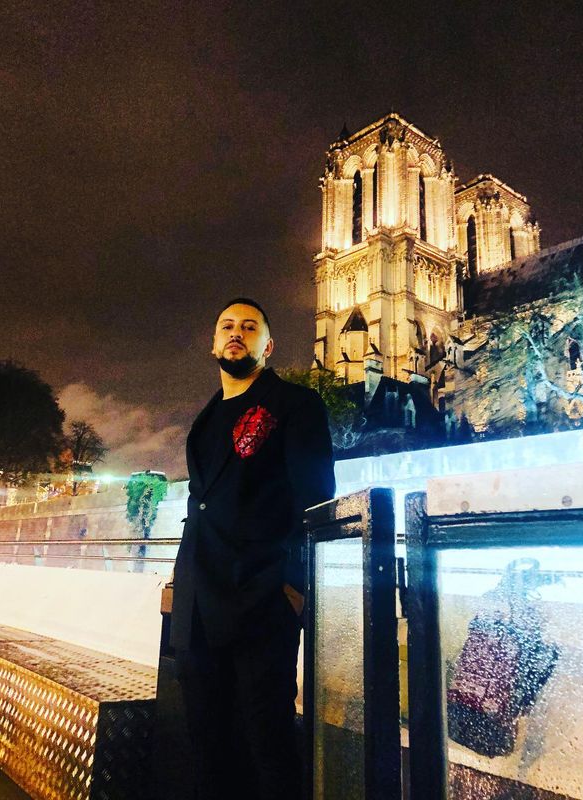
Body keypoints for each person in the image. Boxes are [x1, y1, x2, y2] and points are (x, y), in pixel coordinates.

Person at [171, 298, 335, 800]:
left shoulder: (295, 405)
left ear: (269, 345)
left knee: (268, 744)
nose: (236, 333)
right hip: (197, 607)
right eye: (227, 326)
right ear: (213, 343)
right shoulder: (205, 420)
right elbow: (201, 505)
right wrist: (180, 582)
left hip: (260, 601)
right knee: (207, 743)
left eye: (249, 327)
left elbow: (316, 500)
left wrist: (294, 586)